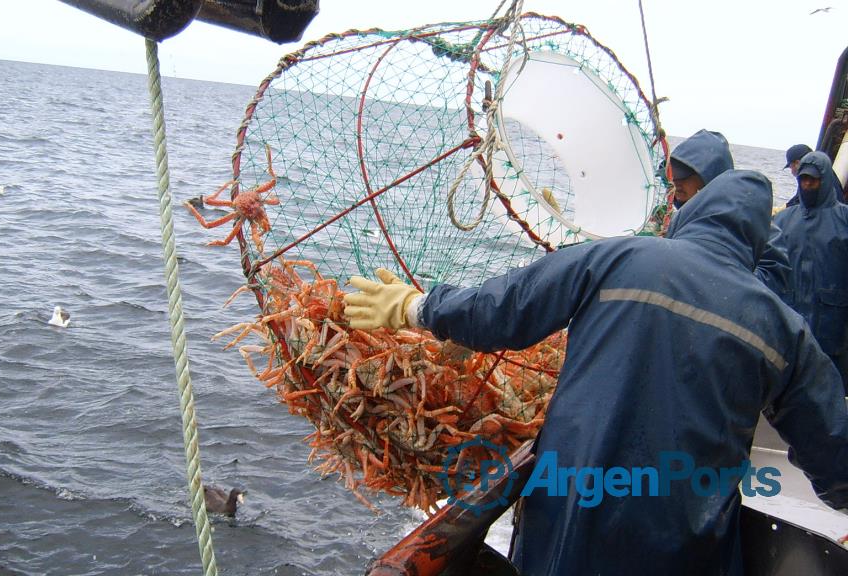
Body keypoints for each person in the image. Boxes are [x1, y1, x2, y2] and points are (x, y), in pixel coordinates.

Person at [344, 170, 848, 575]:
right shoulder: (784, 329)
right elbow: (834, 450)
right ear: (760, 243)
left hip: (565, 523)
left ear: (691, 213)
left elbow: (504, 308)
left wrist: (417, 306)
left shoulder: (618, 257)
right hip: (682, 545)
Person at [667, 129, 792, 298]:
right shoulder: (675, 219)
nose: (677, 182)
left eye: (685, 175)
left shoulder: (757, 226)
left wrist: (710, 274)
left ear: (710, 177)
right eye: (673, 175)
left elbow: (775, 279)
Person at [774, 151, 848, 393]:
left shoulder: (844, 219)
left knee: (831, 387)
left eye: (813, 180)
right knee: (790, 388)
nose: (807, 184)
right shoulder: (783, 221)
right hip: (791, 314)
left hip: (832, 321)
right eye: (803, 179)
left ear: (824, 180)